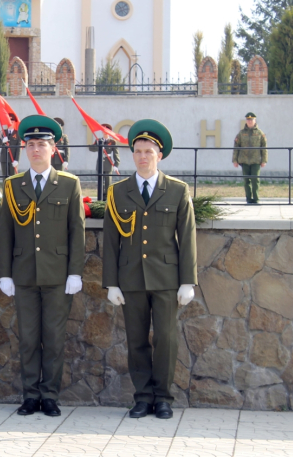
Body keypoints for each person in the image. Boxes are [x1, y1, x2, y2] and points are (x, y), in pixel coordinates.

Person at [102, 119, 197, 420]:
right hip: (131, 278)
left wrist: (188, 281)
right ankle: (143, 397)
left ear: (160, 155)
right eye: (138, 151)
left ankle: (163, 398)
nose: (143, 157)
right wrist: (111, 283)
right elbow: (111, 241)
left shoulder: (177, 190)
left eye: (149, 152)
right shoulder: (118, 192)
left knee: (166, 340)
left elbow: (187, 237)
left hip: (167, 279)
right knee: (137, 340)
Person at [0, 115, 85, 417]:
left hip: (58, 275)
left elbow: (76, 231)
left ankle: (49, 395)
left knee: (54, 338)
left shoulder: (69, 184)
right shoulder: (13, 185)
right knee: (28, 338)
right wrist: (5, 274)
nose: (36, 150)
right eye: (31, 144)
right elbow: (6, 232)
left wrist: (75, 272)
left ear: (53, 149)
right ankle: (30, 395)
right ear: (25, 148)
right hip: (24, 274)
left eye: (42, 145)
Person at [233, 112, 267, 204]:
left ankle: (256, 199)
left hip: (256, 160)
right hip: (244, 160)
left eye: (251, 119)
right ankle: (248, 198)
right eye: (248, 119)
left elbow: (264, 148)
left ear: (255, 120)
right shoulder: (241, 133)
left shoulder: (260, 133)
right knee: (246, 180)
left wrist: (264, 160)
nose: (250, 121)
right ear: (246, 121)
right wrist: (235, 160)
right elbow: (236, 147)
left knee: (255, 180)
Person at [88, 124, 120, 197]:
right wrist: (99, 146)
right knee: (100, 182)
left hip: (108, 163)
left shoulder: (112, 142)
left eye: (106, 131)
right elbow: (91, 148)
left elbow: (116, 154)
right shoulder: (98, 140)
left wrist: (116, 165)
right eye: (103, 130)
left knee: (108, 182)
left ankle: (107, 197)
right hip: (100, 162)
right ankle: (100, 197)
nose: (105, 132)